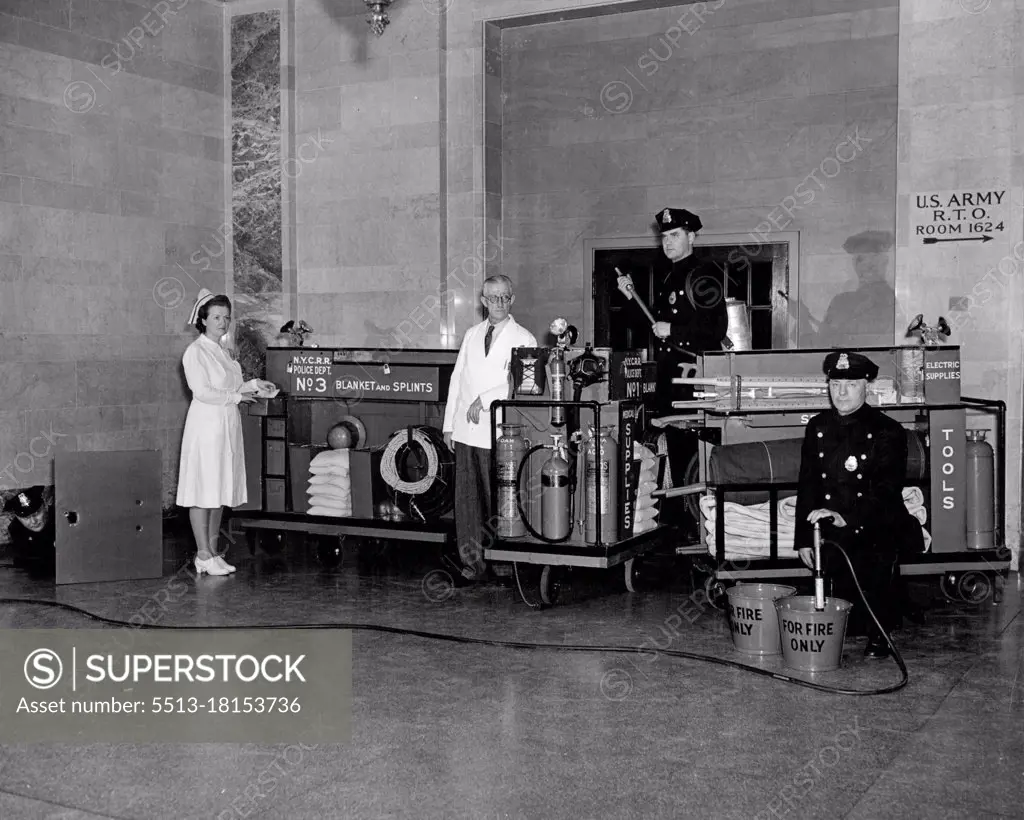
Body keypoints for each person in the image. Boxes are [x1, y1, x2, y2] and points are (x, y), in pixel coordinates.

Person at [794, 350, 924, 659]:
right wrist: (802, 539)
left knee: (876, 566)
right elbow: (808, 485)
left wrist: (846, 517)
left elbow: (886, 490)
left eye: (850, 384)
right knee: (832, 615)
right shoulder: (817, 427)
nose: (841, 392)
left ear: (866, 386)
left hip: (872, 525)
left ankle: (883, 625)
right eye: (835, 384)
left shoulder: (887, 431)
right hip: (832, 528)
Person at [617, 208, 728, 531]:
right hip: (672, 380)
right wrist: (628, 297)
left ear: (691, 237)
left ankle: (702, 528)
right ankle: (686, 527)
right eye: (664, 236)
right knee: (679, 456)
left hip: (694, 380)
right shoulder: (671, 275)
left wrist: (675, 332)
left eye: (675, 235)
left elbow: (715, 330)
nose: (668, 242)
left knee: (697, 460)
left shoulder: (703, 274)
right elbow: (651, 325)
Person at [443, 275, 537, 582]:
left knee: (499, 499)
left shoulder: (524, 338)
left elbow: (519, 383)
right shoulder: (471, 334)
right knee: (467, 501)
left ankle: (503, 563)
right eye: (492, 298)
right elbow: (457, 380)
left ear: (512, 299)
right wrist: (448, 426)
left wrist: (484, 400)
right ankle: (472, 565)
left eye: (504, 297)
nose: (498, 303)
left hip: (497, 431)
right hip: (465, 431)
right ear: (483, 302)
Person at [176, 289, 276, 577]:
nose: (223, 322)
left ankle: (213, 550)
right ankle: (202, 554)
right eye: (217, 317)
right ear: (203, 320)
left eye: (227, 317)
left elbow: (233, 387)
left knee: (218, 489)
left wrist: (256, 385)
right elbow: (203, 392)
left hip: (226, 426)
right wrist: (236, 398)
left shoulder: (222, 351)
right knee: (202, 489)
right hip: (206, 427)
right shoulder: (195, 352)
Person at [3, 487, 56, 573]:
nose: (34, 521)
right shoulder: (16, 530)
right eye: (26, 517)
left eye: (37, 513)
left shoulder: (59, 519)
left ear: (45, 507)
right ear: (17, 517)